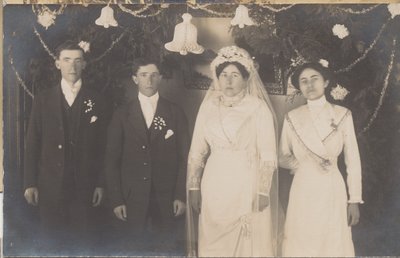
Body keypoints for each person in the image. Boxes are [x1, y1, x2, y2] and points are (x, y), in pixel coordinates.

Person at [186, 46, 279, 257]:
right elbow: (197, 151)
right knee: (213, 237)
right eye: (224, 75)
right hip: (214, 180)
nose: (228, 81)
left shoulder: (258, 108)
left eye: (235, 75)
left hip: (246, 182)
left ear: (246, 79)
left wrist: (263, 190)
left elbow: (268, 155)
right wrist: (194, 187)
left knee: (248, 239)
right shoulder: (208, 106)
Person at [23, 40, 107, 251]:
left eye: (78, 61)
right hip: (50, 186)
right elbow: (33, 142)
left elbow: (104, 147)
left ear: (85, 65)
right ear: (57, 64)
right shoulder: (43, 100)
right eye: (67, 60)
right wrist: (30, 182)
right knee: (51, 244)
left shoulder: (99, 100)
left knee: (83, 244)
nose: (73, 66)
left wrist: (100, 183)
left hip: (85, 187)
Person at [105, 58, 189, 253]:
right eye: (143, 75)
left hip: (166, 197)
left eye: (153, 75)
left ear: (160, 78)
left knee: (166, 249)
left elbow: (185, 158)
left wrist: (180, 195)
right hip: (132, 196)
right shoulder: (121, 114)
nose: (149, 80)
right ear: (135, 79)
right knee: (134, 249)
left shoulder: (175, 112)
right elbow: (111, 161)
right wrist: (117, 199)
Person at [279, 62, 363, 257]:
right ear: (299, 87)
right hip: (303, 187)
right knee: (303, 237)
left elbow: (353, 159)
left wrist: (354, 200)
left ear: (326, 82)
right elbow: (282, 154)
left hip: (332, 185)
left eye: (314, 79)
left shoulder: (342, 114)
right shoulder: (292, 117)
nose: (309, 85)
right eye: (304, 81)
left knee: (332, 238)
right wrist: (302, 165)